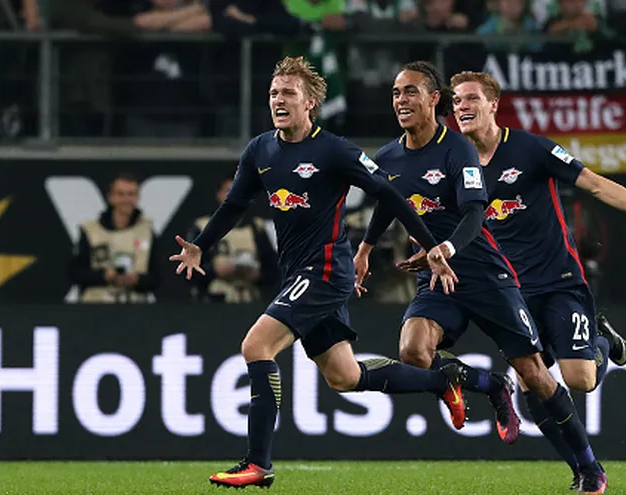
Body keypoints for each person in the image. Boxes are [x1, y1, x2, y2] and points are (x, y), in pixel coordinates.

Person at [169, 56, 487, 489]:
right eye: (273, 94)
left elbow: (391, 196)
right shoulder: (260, 149)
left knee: (256, 346)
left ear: (311, 103)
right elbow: (234, 206)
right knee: (344, 377)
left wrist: (431, 244)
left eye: (288, 94)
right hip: (295, 272)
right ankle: (440, 380)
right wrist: (200, 246)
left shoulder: (335, 150)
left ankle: (257, 463)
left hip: (325, 270)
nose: (278, 101)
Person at [352, 61, 610, 494]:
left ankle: (588, 467)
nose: (401, 101)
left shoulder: (458, 150)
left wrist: (446, 248)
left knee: (538, 376)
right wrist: (364, 248)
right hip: (438, 277)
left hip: (486, 273)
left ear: (434, 100)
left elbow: (474, 212)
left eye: (410, 91)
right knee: (413, 350)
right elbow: (387, 200)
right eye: (396, 93)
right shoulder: (389, 156)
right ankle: (491, 385)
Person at [410, 70, 626, 492]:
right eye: (456, 101)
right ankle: (583, 472)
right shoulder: (451, 160)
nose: (462, 107)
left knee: (581, 380)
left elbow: (595, 184)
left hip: (556, 281)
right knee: (535, 384)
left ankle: (601, 342)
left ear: (493, 105)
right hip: (507, 289)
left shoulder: (529, 148)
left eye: (472, 99)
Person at [69, 173, 162, 303]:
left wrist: (137, 279)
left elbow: (157, 277)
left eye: (131, 194)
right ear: (111, 197)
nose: (126, 199)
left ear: (137, 197)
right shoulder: (91, 230)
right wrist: (104, 276)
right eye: (120, 194)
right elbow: (75, 272)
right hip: (95, 306)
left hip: (136, 306)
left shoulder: (146, 231)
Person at [185, 176, 280, 303]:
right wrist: (214, 271)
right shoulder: (202, 227)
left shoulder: (256, 228)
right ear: (219, 195)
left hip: (249, 299)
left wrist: (257, 274)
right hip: (213, 300)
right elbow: (188, 271)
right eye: (228, 191)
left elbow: (273, 270)